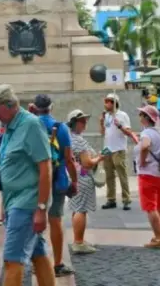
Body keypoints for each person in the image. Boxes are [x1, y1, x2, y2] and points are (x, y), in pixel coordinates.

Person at [0, 85, 56, 286]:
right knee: (38, 254)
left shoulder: (30, 125)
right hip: (16, 202)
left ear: (8, 105)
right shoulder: (11, 127)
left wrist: (41, 208)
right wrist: (5, 205)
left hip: (27, 204)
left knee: (12, 260)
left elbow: (45, 167)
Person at [32, 94, 77, 276]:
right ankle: (58, 264)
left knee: (36, 219)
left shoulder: (31, 125)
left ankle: (38, 263)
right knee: (55, 220)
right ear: (51, 107)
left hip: (35, 180)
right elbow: (69, 158)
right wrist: (74, 180)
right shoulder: (61, 127)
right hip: (57, 179)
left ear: (35, 108)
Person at [67, 109, 106, 255]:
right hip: (82, 177)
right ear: (75, 123)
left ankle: (78, 239)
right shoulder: (78, 140)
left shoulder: (70, 138)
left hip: (75, 176)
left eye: (85, 120)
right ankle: (78, 242)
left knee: (77, 208)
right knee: (81, 209)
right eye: (82, 121)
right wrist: (99, 158)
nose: (85, 123)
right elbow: (87, 163)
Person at [134, 105, 160, 249]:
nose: (139, 117)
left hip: (148, 173)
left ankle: (158, 238)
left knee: (150, 207)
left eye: (141, 115)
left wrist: (142, 161)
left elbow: (145, 146)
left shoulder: (147, 133)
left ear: (146, 118)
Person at [99, 93, 135, 211]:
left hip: (119, 149)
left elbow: (128, 132)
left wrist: (119, 126)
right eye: (105, 101)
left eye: (108, 102)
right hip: (107, 149)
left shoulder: (122, 115)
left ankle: (126, 199)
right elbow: (103, 133)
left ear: (114, 103)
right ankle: (111, 199)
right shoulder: (106, 116)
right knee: (109, 176)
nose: (105, 104)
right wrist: (101, 123)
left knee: (122, 175)